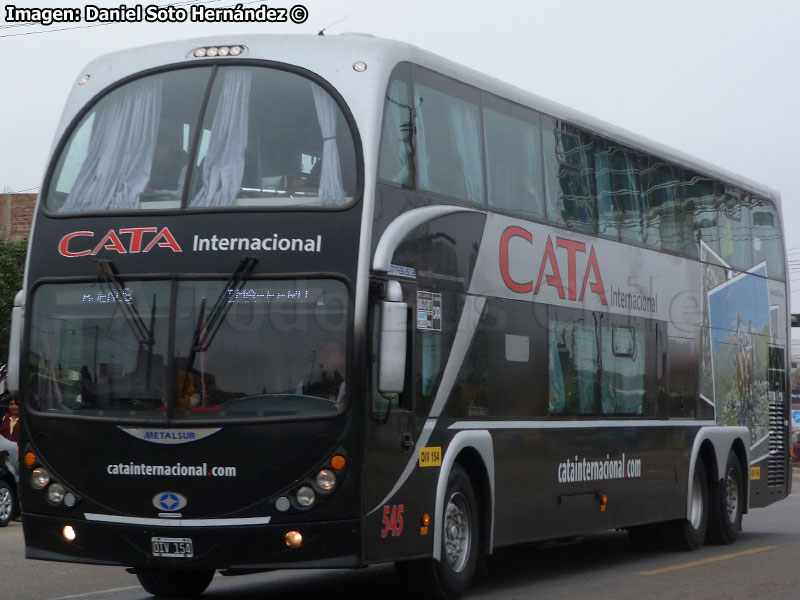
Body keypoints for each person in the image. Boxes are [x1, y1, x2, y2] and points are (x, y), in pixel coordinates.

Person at [302, 337, 346, 407]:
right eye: (323, 350)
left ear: (343, 357)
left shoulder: (347, 383)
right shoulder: (308, 380)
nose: (325, 355)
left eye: (332, 352)